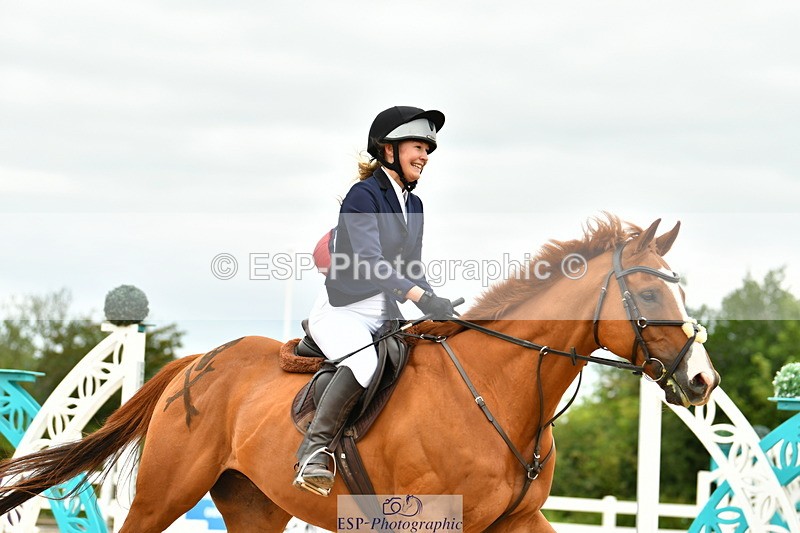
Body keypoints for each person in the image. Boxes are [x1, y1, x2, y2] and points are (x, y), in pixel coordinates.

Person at [294, 106, 455, 495]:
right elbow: (368, 261)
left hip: (385, 314)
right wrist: (417, 294)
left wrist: (435, 303)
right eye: (418, 147)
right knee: (364, 362)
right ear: (388, 151)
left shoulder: (413, 204)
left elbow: (411, 266)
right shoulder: (363, 195)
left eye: (428, 149)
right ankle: (313, 453)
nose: (425, 156)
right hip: (343, 312)